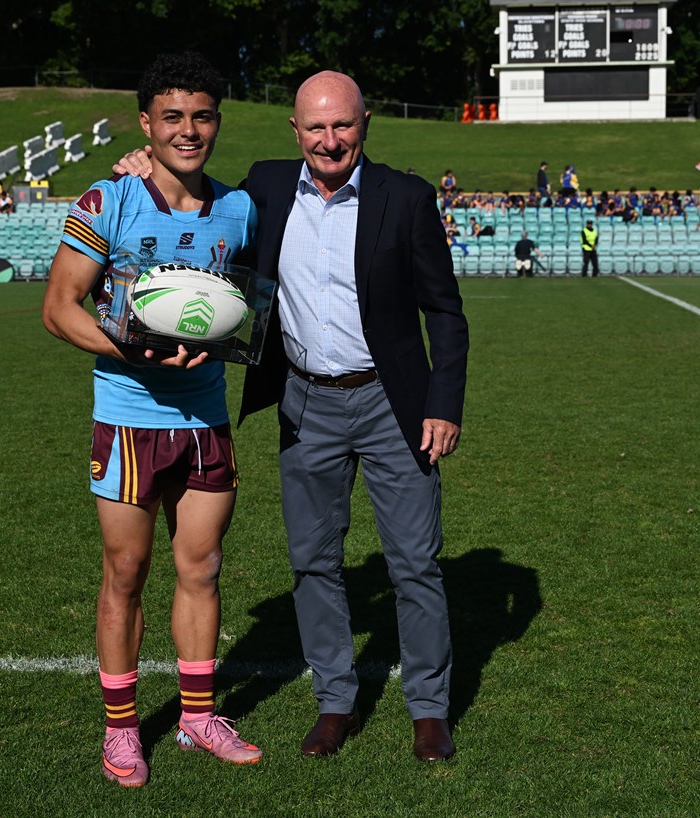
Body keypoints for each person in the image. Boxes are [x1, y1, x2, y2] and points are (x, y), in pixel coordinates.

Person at [114, 70, 469, 763]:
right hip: (306, 402)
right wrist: (138, 164)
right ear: (295, 131)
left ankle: (429, 709)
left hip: (394, 406)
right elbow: (188, 197)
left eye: (342, 125)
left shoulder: (408, 197)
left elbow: (445, 313)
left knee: (415, 563)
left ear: (364, 124)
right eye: (316, 127)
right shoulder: (265, 189)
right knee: (312, 562)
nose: (330, 140)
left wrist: (443, 405)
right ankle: (335, 702)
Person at [42, 51, 263, 790]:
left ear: (217, 122)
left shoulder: (239, 209)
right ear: (147, 123)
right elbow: (58, 308)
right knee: (126, 573)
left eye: (202, 116)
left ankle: (199, 719)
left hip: (205, 421)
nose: (188, 130)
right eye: (172, 117)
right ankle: (122, 731)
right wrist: (135, 352)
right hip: (129, 418)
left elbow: (240, 304)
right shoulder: (111, 199)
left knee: (201, 567)